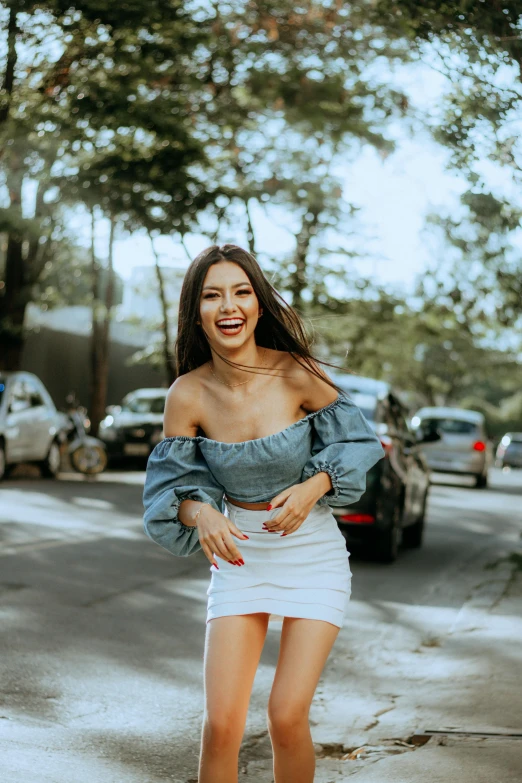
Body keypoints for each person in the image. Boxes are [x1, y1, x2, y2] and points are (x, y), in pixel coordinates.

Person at [142, 244, 384, 783]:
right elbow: (171, 490)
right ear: (196, 311)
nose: (229, 306)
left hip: (313, 557)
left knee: (285, 716)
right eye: (212, 295)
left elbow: (361, 441)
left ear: (257, 302)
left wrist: (315, 485)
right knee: (221, 725)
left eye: (241, 291)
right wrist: (199, 513)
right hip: (239, 561)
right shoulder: (188, 394)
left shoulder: (296, 373)